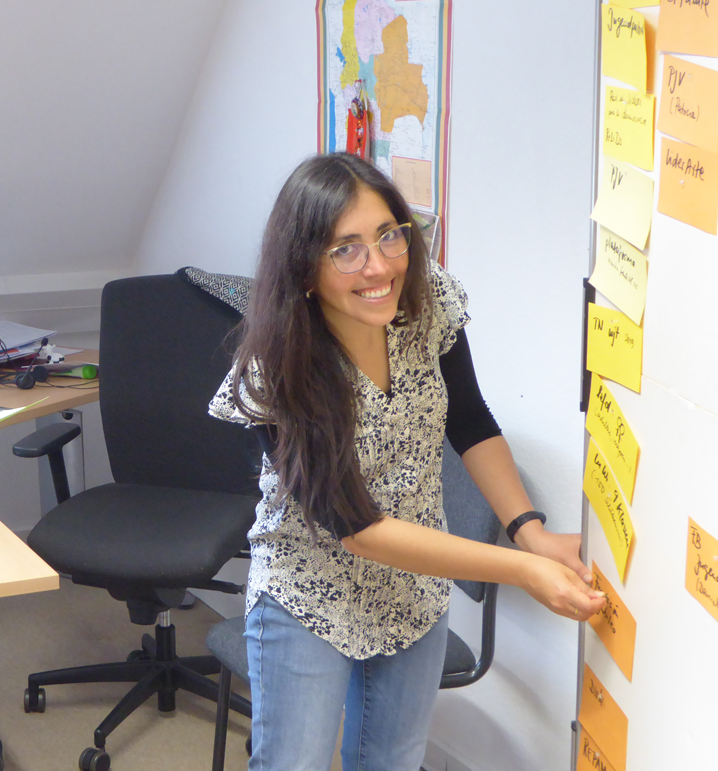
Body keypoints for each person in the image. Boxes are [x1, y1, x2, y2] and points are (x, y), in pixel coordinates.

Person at [208, 153, 604, 771]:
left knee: (391, 761)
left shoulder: (428, 299)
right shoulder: (274, 371)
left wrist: (530, 531)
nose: (380, 266)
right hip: (309, 590)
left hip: (416, 587)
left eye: (389, 234)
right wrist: (522, 570)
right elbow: (356, 530)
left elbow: (471, 421)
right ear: (305, 268)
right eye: (347, 248)